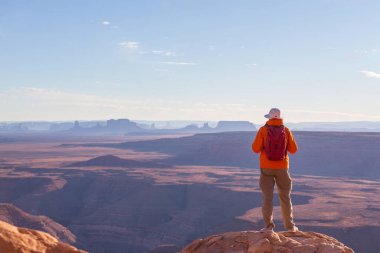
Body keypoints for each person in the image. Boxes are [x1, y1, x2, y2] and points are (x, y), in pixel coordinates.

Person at [252, 108, 299, 232]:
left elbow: (255, 149)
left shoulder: (263, 130)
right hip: (282, 167)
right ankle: (290, 227)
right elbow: (293, 150)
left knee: (267, 197)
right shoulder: (286, 130)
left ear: (270, 117)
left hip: (266, 167)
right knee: (285, 196)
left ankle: (268, 227)